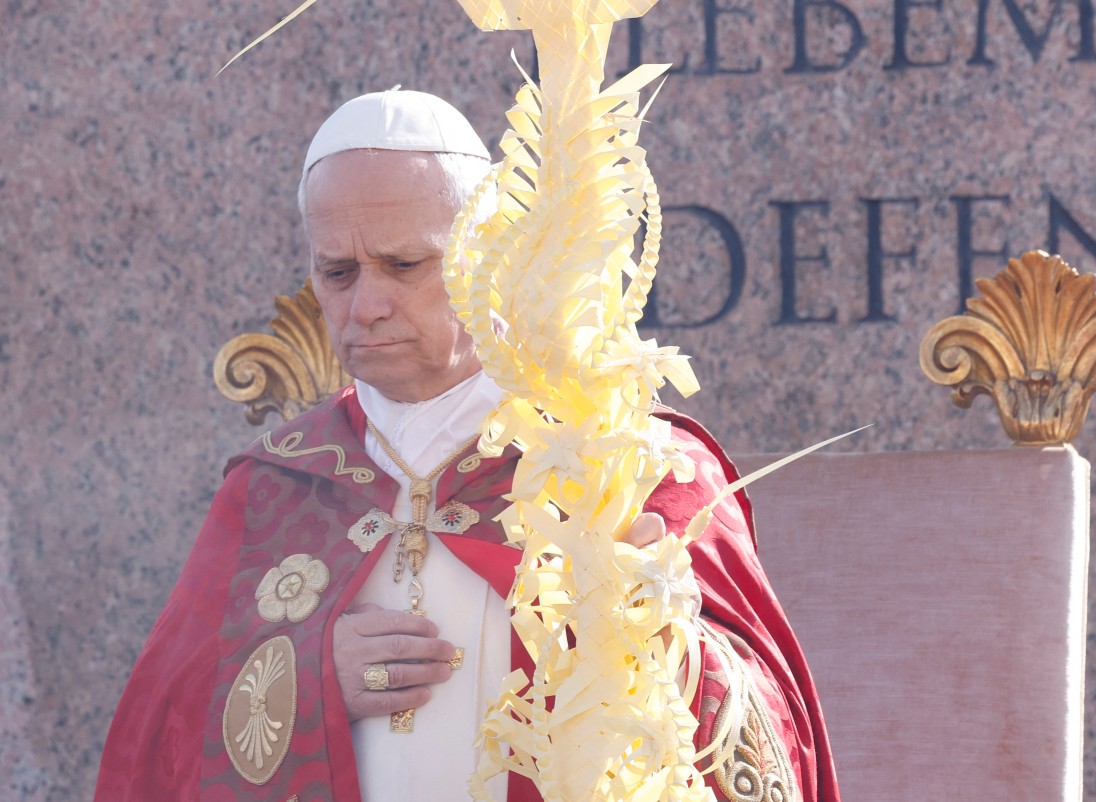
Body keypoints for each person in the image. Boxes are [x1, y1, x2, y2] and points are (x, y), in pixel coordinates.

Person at [94, 87, 840, 802]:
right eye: (339, 271)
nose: (368, 304)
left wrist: (649, 639)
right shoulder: (271, 489)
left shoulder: (630, 467)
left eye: (405, 265)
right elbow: (154, 741)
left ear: (488, 257)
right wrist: (299, 683)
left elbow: (771, 734)